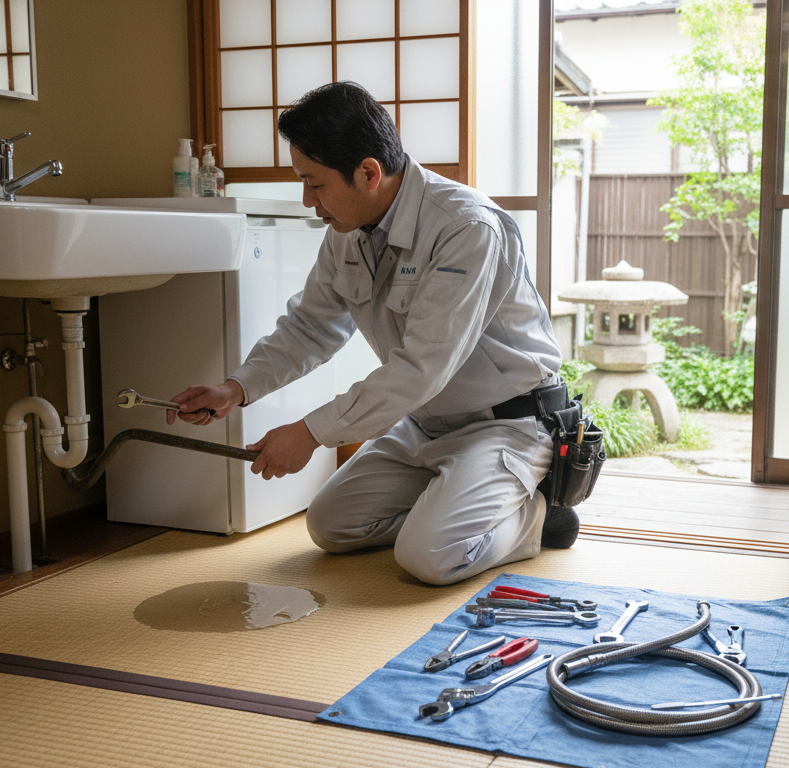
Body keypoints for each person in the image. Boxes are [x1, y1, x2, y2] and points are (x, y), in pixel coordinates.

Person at [168, 81, 578, 586]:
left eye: (315, 184)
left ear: (368, 172)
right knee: (331, 526)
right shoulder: (348, 231)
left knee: (429, 560)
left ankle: (535, 514)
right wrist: (236, 388)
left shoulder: (466, 228)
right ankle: (453, 508)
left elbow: (421, 368)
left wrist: (309, 433)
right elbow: (310, 326)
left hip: (506, 424)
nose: (307, 200)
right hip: (426, 425)